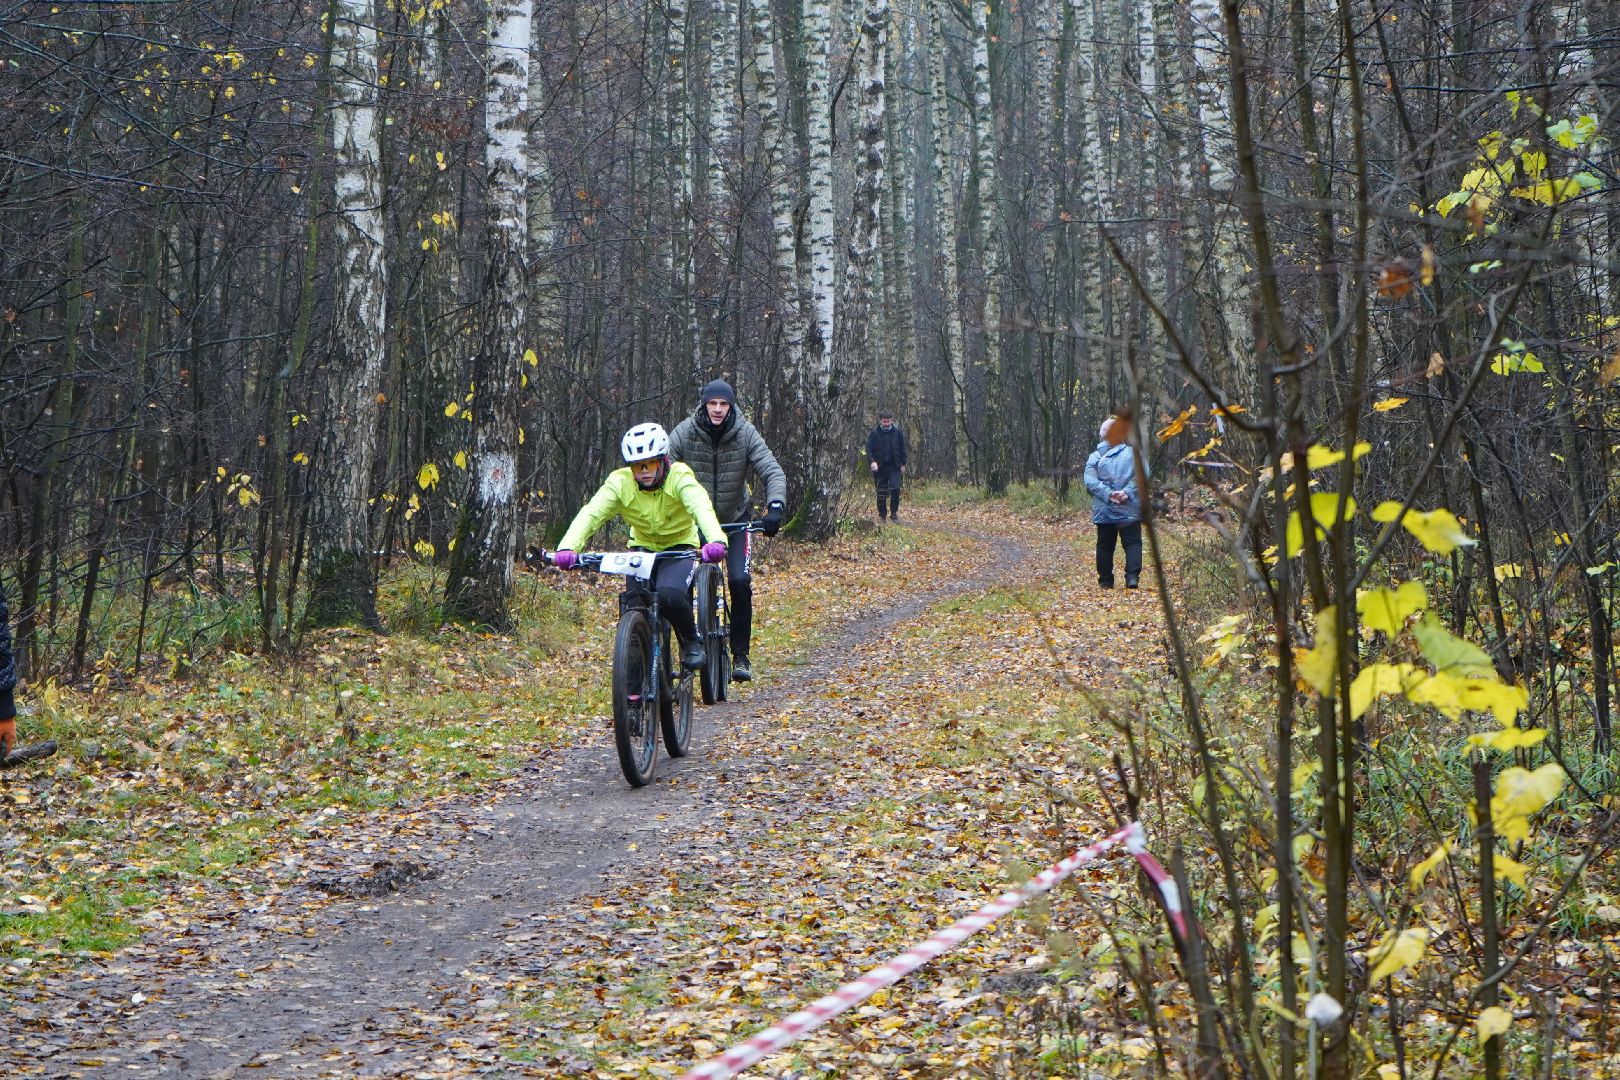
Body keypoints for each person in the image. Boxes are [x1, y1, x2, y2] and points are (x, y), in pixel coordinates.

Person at [552, 423, 728, 670]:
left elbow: (701, 507)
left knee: (669, 596)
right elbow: (592, 514)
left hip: (679, 546)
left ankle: (691, 639)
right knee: (634, 607)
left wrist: (716, 540)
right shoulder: (619, 483)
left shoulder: (680, 477)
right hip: (642, 548)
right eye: (637, 465)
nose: (644, 471)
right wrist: (567, 547)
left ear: (663, 460)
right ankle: (634, 691)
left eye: (650, 464)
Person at [668, 379, 787, 683]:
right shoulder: (685, 432)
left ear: (731, 406)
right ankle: (689, 646)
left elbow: (772, 470)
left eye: (724, 404)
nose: (718, 409)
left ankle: (741, 656)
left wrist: (774, 507)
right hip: (695, 522)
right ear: (703, 405)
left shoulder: (745, 433)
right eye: (712, 404)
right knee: (679, 585)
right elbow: (662, 466)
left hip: (736, 520)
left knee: (739, 580)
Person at [1084, 414, 1144, 589]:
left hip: (1105, 509)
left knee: (1104, 546)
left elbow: (1090, 481)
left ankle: (1105, 581)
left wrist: (1108, 495)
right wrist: (1127, 493)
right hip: (1130, 509)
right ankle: (1132, 578)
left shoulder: (1094, 457)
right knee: (1132, 543)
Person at [865, 410, 908, 523]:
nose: (886, 423)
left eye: (888, 421)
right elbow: (868, 449)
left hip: (895, 467)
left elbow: (903, 449)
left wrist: (903, 464)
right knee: (881, 492)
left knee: (895, 490)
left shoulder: (898, 433)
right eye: (884, 421)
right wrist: (872, 461)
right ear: (880, 421)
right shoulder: (874, 433)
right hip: (880, 468)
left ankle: (894, 513)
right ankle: (882, 515)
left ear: (891, 421)